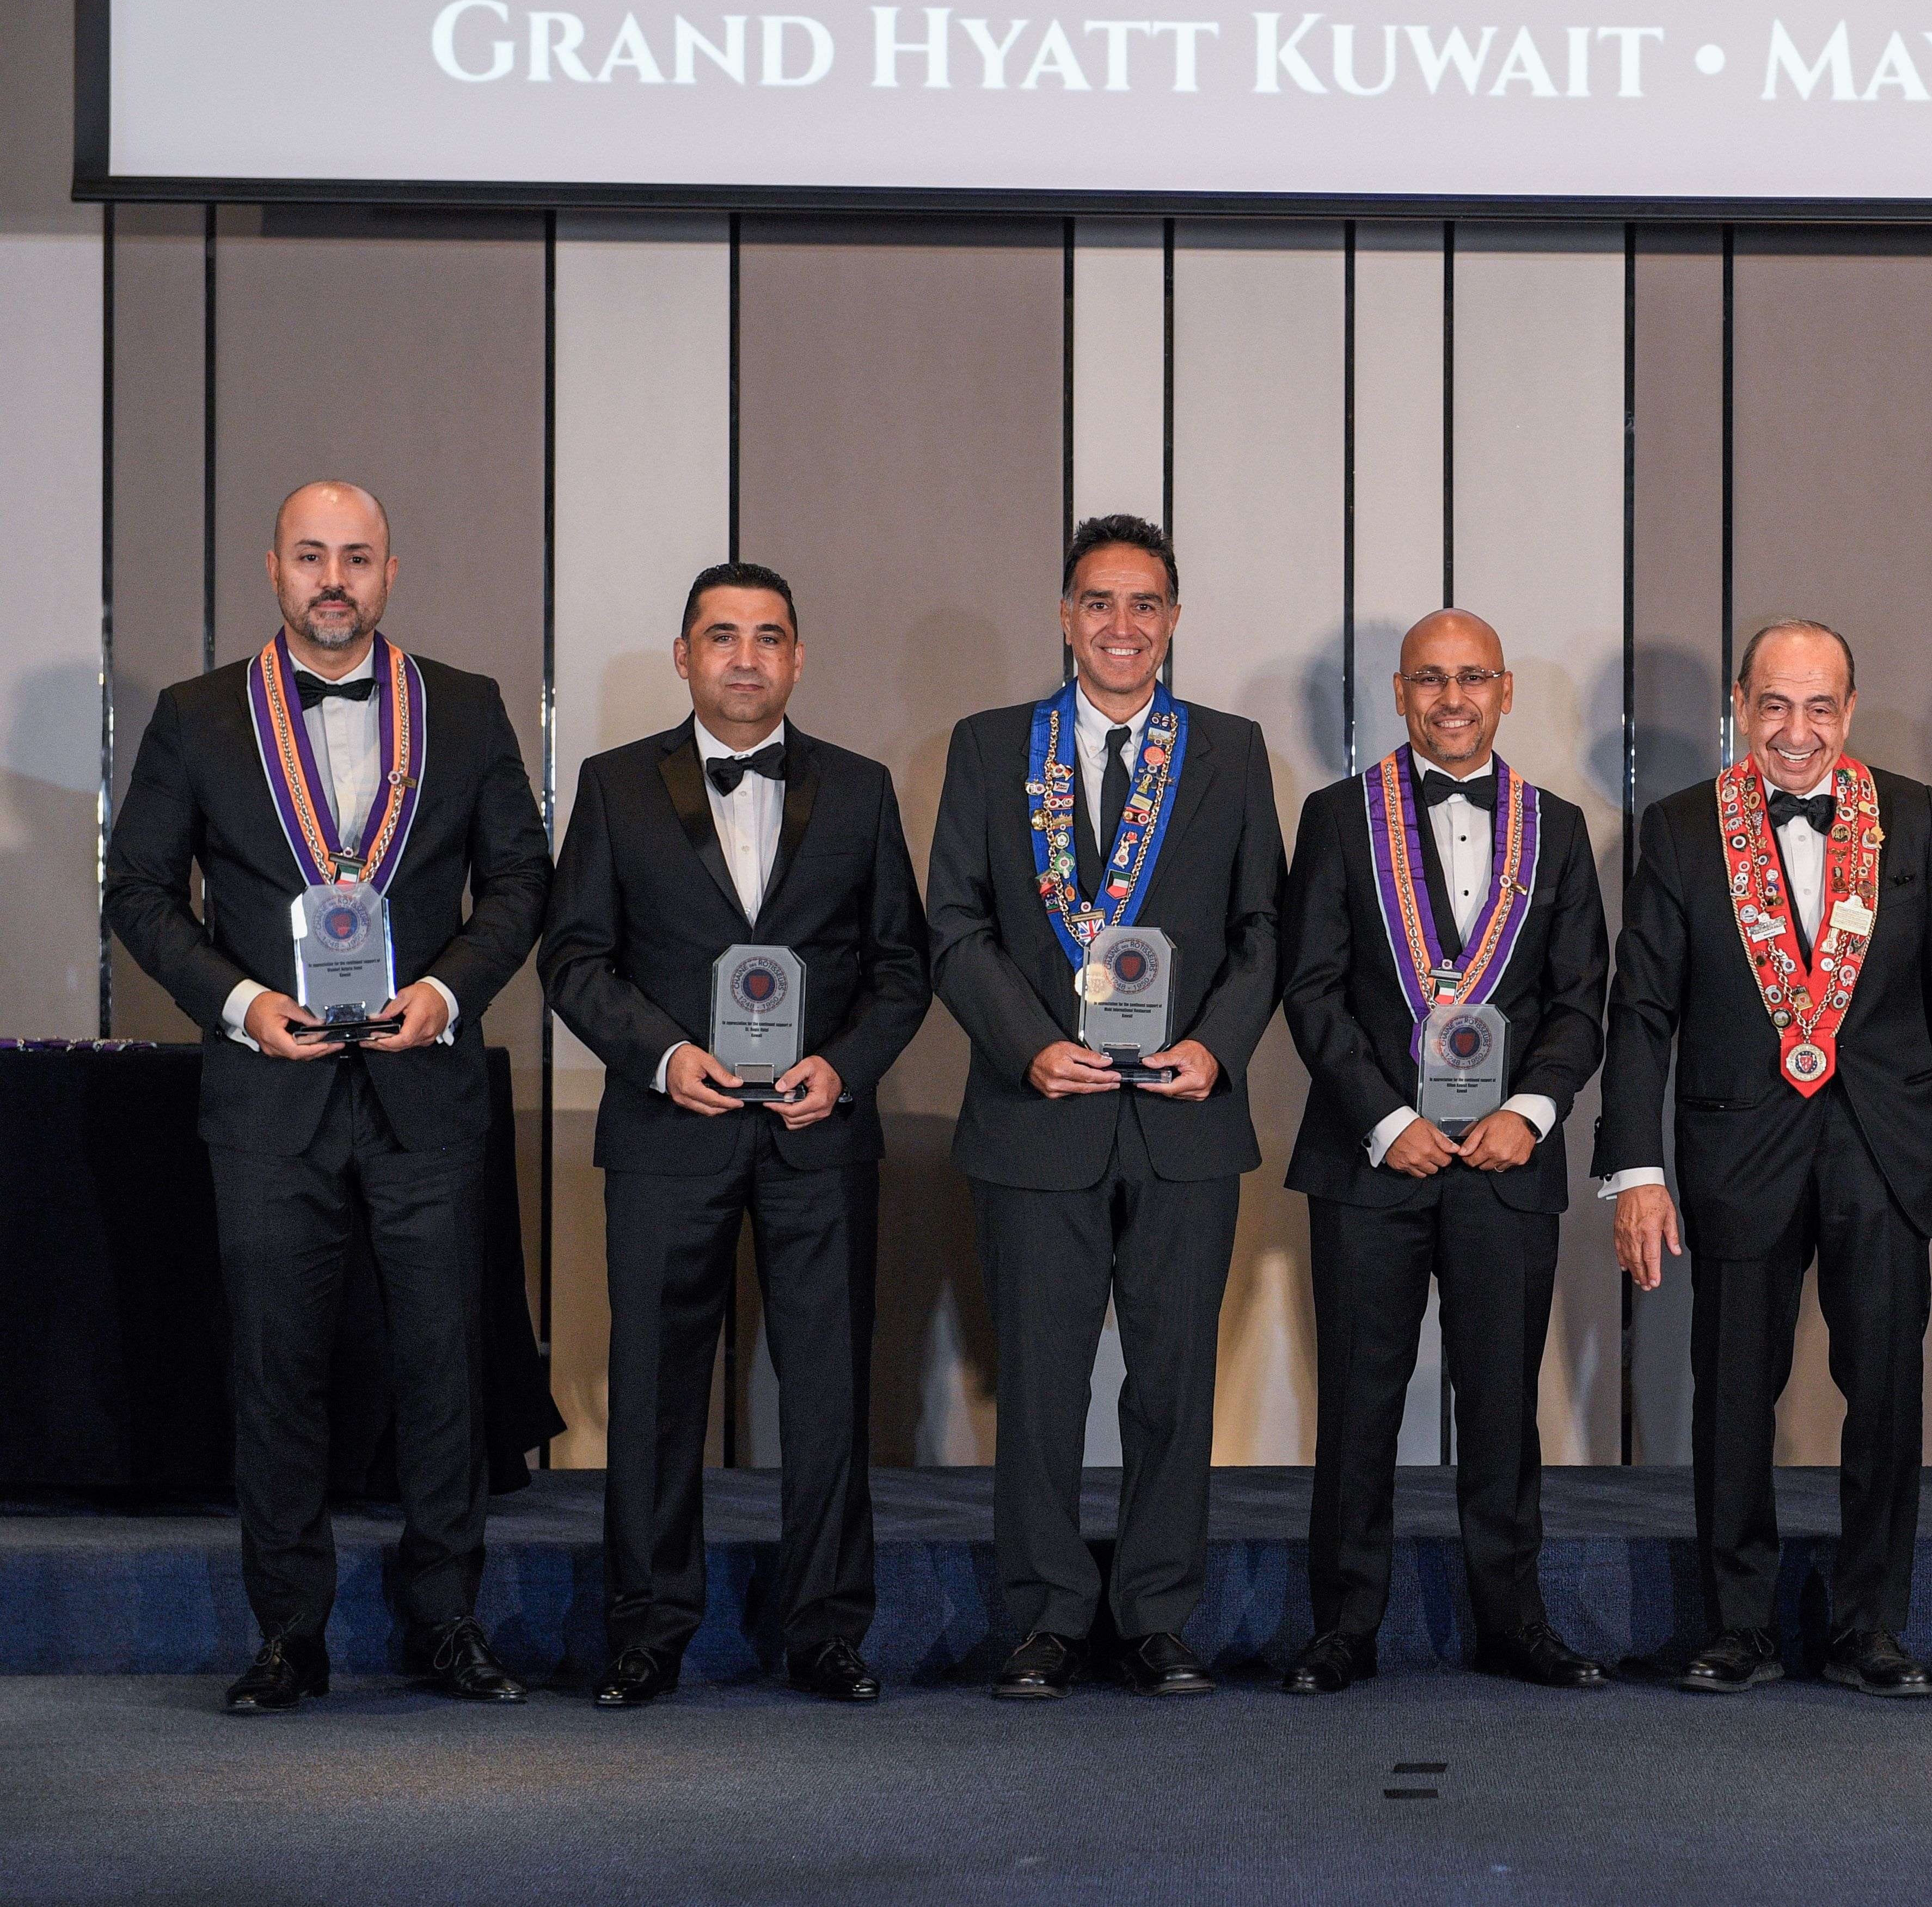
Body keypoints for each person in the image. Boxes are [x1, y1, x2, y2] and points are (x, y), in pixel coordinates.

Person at [104, 480, 550, 1712]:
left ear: (391, 573)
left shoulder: (466, 707)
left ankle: (446, 1621)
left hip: (426, 1085)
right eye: (312, 556)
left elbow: (521, 878)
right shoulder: (198, 715)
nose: (334, 579)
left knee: (444, 1369)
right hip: (268, 1090)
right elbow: (138, 887)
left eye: (357, 557)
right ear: (274, 569)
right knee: (275, 1368)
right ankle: (288, 1634)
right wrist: (241, 1000)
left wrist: (448, 990)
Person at [542, 563, 930, 1709]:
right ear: (684, 655)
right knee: (656, 1392)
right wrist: (664, 1055)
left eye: (768, 636)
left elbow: (902, 968)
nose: (745, 657)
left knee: (829, 1395)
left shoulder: (859, 789)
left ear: (798, 658)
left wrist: (842, 1067)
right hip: (669, 1130)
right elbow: (574, 957)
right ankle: (646, 1630)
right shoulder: (614, 785)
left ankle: (828, 1633)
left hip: (819, 1134)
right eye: (722, 635)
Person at [927, 513, 1285, 1699]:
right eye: (1098, 602)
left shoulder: (1229, 749)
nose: (1120, 625)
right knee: (1039, 1386)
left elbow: (1263, 928)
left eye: (1143, 604)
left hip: (1184, 1116)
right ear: (1064, 616)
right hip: (1037, 1114)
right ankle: (1042, 1619)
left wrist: (1215, 1047)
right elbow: (954, 924)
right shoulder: (990, 747)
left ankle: (1157, 1616)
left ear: (1172, 620)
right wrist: (1029, 1045)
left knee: (1173, 1386)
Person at [1597, 620, 1932, 1698]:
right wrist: (1635, 1170)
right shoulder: (1681, 827)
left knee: (1887, 1393)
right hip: (1736, 1146)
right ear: (1740, 705)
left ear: (1849, 709)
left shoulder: (1910, 814)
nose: (1796, 729)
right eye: (1773, 704)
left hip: (1887, 1145)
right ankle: (1737, 1626)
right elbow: (1640, 1011)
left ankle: (1870, 1627)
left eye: (1819, 706)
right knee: (1731, 1397)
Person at [1275, 610, 1611, 1695]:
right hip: (1369, 1159)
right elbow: (1310, 989)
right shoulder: (1337, 818)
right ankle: (1342, 1627)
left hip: (1508, 1165)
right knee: (1356, 1405)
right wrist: (1385, 1118)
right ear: (1398, 691)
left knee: (1503, 1407)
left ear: (1505, 690)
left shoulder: (1557, 827)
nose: (1451, 699)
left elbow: (1580, 1000)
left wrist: (1532, 1109)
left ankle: (1514, 1622)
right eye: (1429, 679)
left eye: (1472, 678)